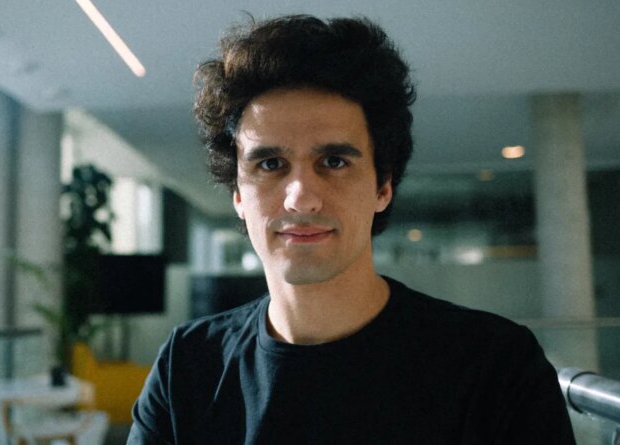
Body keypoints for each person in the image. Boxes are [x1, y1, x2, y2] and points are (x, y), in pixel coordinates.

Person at [128, 15, 575, 444]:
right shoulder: (187, 366)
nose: (300, 196)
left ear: (383, 186)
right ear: (238, 196)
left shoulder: (494, 368)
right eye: (270, 164)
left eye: (334, 162)